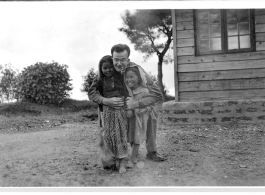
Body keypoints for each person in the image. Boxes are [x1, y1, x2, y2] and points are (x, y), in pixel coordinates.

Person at [89, 44, 165, 162]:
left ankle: (152, 151)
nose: (119, 63)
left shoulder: (137, 70)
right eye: (116, 60)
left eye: (123, 60)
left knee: (151, 109)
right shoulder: (106, 69)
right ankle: (109, 155)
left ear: (128, 59)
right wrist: (106, 101)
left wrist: (137, 103)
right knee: (106, 130)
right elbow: (92, 93)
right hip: (111, 108)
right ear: (112, 58)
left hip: (132, 105)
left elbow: (157, 94)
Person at [93, 55, 129, 174]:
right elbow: (92, 94)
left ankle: (122, 161)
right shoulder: (99, 81)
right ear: (101, 69)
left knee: (120, 135)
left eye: (110, 67)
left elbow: (128, 92)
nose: (108, 70)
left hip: (120, 112)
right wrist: (105, 100)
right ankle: (110, 161)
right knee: (107, 136)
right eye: (105, 68)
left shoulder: (121, 78)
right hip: (106, 114)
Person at [124, 66, 159, 165]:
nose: (129, 80)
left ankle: (132, 158)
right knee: (131, 137)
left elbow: (151, 105)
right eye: (127, 77)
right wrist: (128, 110)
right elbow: (126, 103)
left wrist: (144, 109)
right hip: (131, 119)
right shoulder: (128, 91)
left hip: (141, 119)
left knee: (137, 137)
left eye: (132, 77)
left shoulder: (144, 90)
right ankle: (135, 155)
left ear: (138, 78)